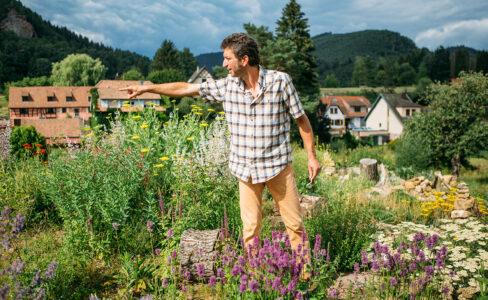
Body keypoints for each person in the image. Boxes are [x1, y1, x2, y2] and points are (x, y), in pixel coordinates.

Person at [121, 33, 321, 259]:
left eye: (227, 58)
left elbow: (301, 120)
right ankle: (255, 282)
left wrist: (312, 156)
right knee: (250, 230)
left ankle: (305, 278)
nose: (223, 64)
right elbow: (186, 89)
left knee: (295, 226)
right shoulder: (226, 87)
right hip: (245, 171)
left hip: (278, 167)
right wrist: (148, 88)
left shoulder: (280, 82)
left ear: (244, 60)